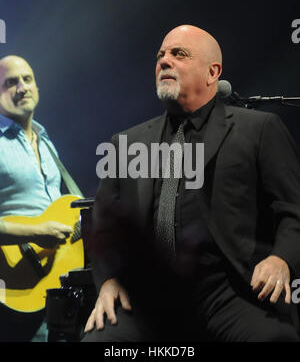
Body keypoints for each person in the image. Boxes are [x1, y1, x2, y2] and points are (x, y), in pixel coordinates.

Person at [82, 25, 300, 342]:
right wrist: (108, 280)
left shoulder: (259, 129)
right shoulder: (127, 143)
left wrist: (281, 259)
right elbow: (102, 225)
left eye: (179, 54)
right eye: (161, 55)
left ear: (213, 72)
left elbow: (294, 209)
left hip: (230, 293)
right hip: (146, 299)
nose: (164, 61)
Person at [0, 55, 73, 341]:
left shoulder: (46, 141)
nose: (21, 88)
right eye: (10, 83)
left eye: (27, 79)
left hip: (55, 282)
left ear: (38, 87)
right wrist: (35, 232)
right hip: (12, 290)